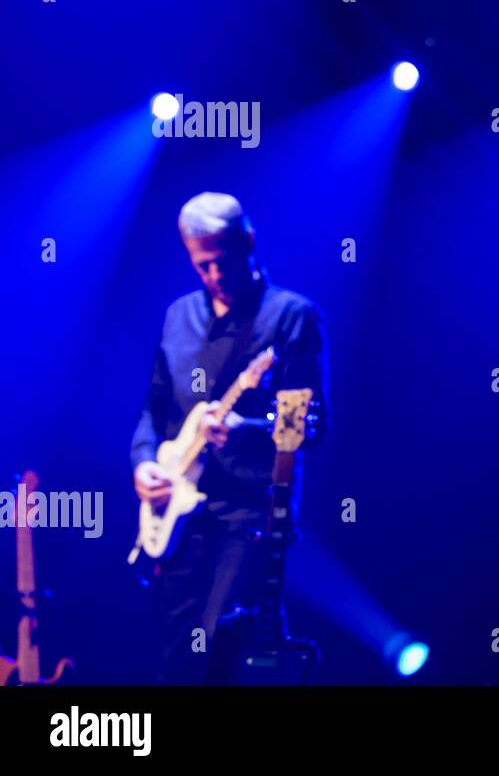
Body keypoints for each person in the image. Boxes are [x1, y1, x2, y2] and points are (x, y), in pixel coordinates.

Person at [130, 192, 328, 684]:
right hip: (179, 515)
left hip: (250, 513)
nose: (216, 277)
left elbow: (314, 426)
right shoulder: (178, 317)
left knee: (222, 640)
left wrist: (246, 432)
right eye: (202, 266)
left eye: (224, 262)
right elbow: (153, 409)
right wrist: (143, 463)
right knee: (178, 657)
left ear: (249, 242)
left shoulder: (291, 318)